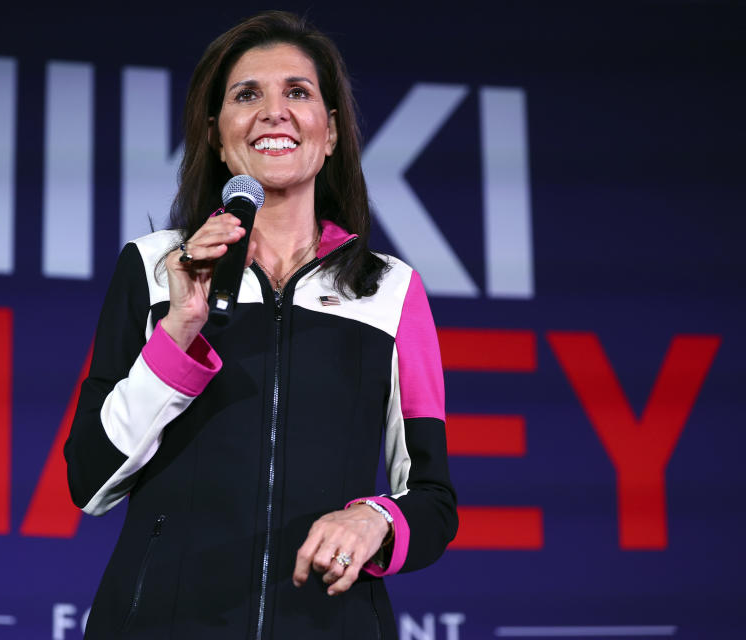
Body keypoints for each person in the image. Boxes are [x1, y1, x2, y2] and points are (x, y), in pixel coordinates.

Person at [64, 10, 457, 639]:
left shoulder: (391, 289)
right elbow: (89, 480)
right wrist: (179, 331)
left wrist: (378, 519)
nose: (274, 111)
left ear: (329, 134)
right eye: (247, 95)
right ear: (219, 138)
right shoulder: (154, 265)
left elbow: (433, 498)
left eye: (297, 92)